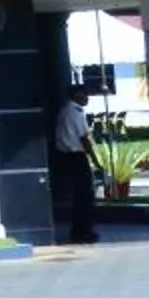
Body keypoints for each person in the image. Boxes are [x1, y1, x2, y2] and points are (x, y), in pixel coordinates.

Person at [51, 83, 99, 244]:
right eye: (84, 95)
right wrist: (95, 160)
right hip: (76, 156)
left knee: (78, 196)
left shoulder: (65, 111)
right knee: (85, 196)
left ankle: (79, 231)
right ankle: (83, 232)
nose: (87, 98)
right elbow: (84, 138)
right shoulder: (76, 113)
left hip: (66, 156)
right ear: (76, 96)